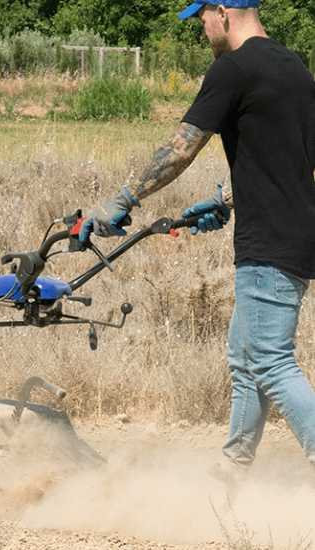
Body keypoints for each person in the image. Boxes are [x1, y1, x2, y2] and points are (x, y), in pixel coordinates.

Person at [79, 0, 315, 480]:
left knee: (270, 362)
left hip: (267, 243)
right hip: (293, 236)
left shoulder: (233, 69)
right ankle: (231, 476)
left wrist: (125, 199)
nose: (201, 30)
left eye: (202, 18)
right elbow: (296, 158)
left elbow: (182, 146)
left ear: (224, 11)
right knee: (246, 361)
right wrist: (228, 198)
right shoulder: (294, 67)